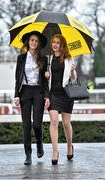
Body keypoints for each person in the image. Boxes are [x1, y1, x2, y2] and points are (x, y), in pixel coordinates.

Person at [14, 31, 50, 165]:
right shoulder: (21, 58)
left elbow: (45, 81)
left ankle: (39, 142)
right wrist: (16, 95)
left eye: (36, 41)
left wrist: (47, 94)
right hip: (25, 92)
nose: (34, 43)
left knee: (36, 123)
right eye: (32, 40)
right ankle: (28, 154)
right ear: (28, 42)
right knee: (26, 125)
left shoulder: (44, 59)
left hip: (38, 92)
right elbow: (17, 78)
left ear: (39, 44)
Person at [45, 34, 77, 165]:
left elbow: (74, 79)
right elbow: (46, 77)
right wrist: (46, 75)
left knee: (66, 123)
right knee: (53, 121)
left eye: (57, 42)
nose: (55, 44)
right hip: (53, 93)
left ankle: (69, 146)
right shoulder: (49, 58)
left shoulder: (69, 58)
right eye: (53, 42)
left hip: (66, 94)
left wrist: (73, 71)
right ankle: (55, 151)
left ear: (62, 44)